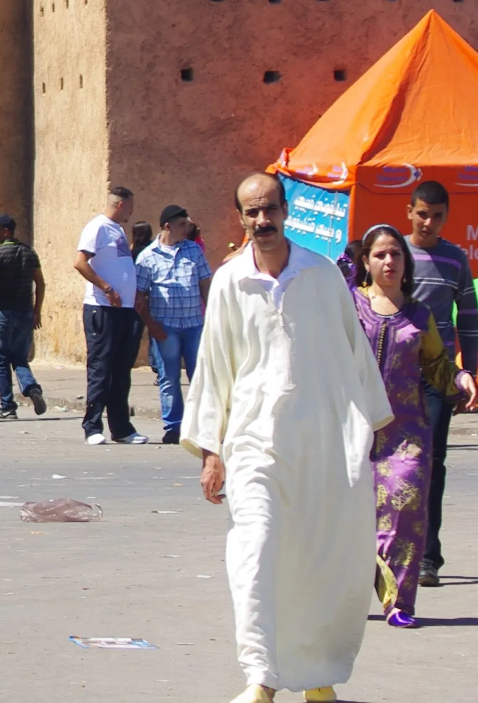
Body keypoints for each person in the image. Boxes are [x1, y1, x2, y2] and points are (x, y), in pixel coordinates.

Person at [183, 173, 393, 703]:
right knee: (254, 553)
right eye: (251, 212)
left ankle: (316, 675)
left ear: (286, 211)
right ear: (240, 218)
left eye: (270, 209)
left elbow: (355, 357)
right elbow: (214, 369)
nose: (262, 221)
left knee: (316, 558)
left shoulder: (321, 276)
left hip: (322, 445)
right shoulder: (231, 281)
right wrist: (212, 451)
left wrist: (367, 433)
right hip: (253, 445)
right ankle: (261, 676)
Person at [350, 224, 477, 627]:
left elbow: (437, 364)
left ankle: (399, 603)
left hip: (405, 431)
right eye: (380, 255)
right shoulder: (348, 306)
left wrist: (460, 378)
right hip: (351, 430)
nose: (389, 261)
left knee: (405, 508)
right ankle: (347, 598)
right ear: (366, 262)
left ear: (405, 263)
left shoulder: (419, 314)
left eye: (396, 254)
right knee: (350, 516)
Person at [400, 179, 478, 588]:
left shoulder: (454, 260)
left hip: (438, 377)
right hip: (394, 375)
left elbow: (468, 316)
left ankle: (428, 558)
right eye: (423, 214)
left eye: (438, 216)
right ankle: (388, 550)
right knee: (391, 465)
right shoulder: (395, 255)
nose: (429, 222)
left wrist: (473, 373)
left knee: (431, 464)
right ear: (409, 212)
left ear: (447, 217)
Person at [74, 185, 147, 445]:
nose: (132, 212)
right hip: (102, 309)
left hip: (124, 310)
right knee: (101, 369)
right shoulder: (98, 227)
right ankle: (92, 427)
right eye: (130, 206)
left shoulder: (117, 229)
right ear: (120, 205)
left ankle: (122, 428)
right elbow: (80, 262)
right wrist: (106, 288)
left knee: (121, 370)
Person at [134, 204, 212, 445]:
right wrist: (151, 325)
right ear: (168, 227)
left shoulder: (194, 251)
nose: (187, 228)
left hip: (194, 325)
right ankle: (173, 427)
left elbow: (205, 284)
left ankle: (201, 426)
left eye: (187, 224)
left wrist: (211, 316)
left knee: (199, 376)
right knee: (169, 377)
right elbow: (139, 297)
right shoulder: (147, 257)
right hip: (165, 327)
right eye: (182, 224)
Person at [0, 213, 45, 418]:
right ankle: (31, 388)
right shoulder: (29, 253)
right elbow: (40, 283)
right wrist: (37, 311)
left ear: (6, 231)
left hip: (3, 312)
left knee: (2, 360)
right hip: (25, 311)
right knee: (19, 357)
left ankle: (7, 407)